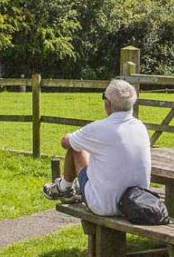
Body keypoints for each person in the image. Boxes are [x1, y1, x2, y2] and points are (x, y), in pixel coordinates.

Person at [43, 79, 151, 216]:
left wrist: (72, 136)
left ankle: (64, 188)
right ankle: (65, 188)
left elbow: (65, 142)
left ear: (108, 103)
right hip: (137, 202)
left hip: (104, 205)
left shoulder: (99, 128)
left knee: (76, 147)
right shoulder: (140, 127)